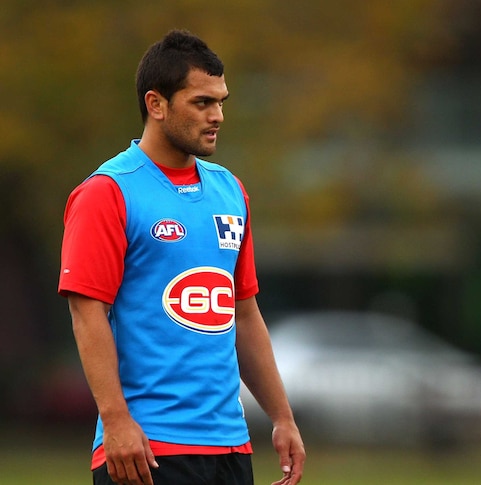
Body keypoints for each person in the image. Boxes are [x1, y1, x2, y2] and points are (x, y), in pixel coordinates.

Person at [58, 30, 305, 485]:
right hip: (147, 450)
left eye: (221, 101)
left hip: (230, 447)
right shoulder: (108, 192)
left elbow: (243, 314)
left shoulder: (230, 191)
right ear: (156, 104)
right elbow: (86, 312)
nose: (218, 116)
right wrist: (115, 422)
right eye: (202, 103)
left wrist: (282, 417)